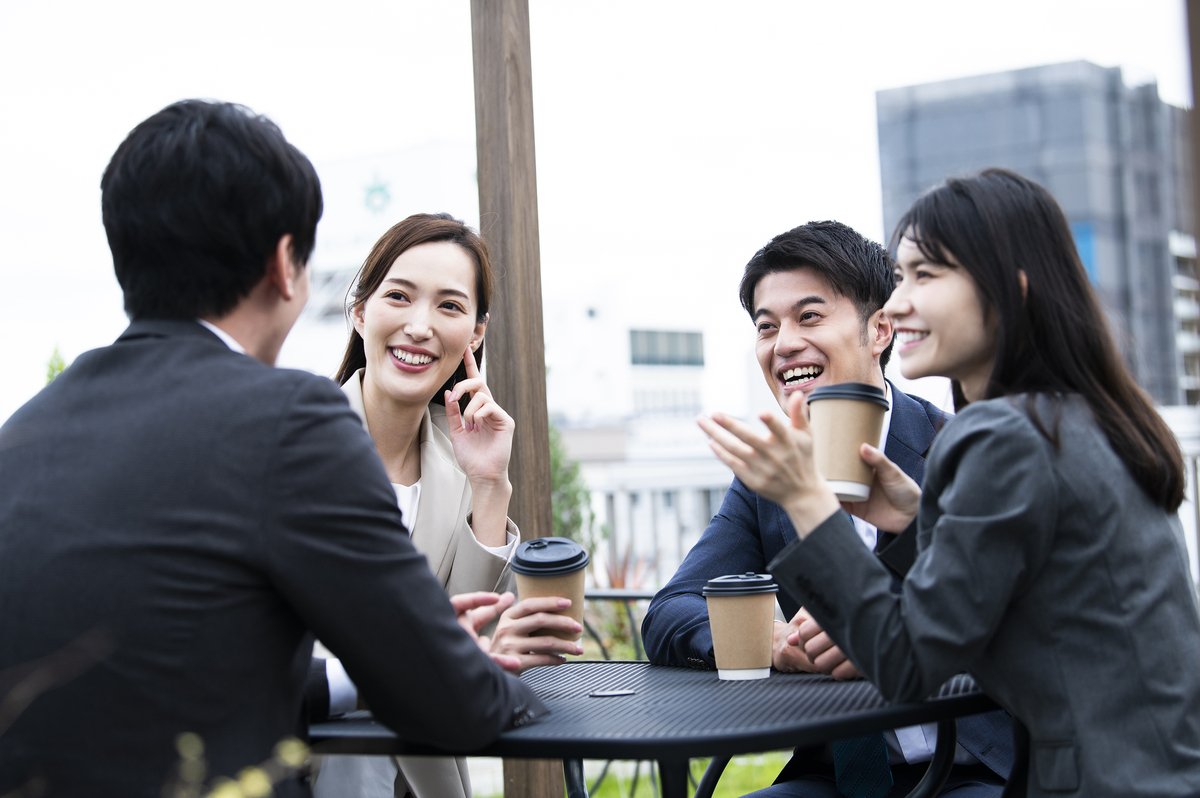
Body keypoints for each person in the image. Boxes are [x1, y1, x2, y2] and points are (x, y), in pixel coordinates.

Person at [0, 100, 546, 798]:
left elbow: (166, 668)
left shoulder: (26, 433)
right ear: (286, 266)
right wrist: (482, 677)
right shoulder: (292, 422)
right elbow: (457, 703)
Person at [701, 169, 1200, 797]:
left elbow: (905, 662)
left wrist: (805, 497)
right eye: (900, 277)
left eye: (926, 276)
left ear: (1009, 294)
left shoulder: (998, 436)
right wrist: (918, 521)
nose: (900, 301)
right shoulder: (1073, 421)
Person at [642, 221, 1012, 797]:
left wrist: (876, 631)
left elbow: (1016, 625)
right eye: (767, 327)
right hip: (837, 776)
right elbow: (670, 611)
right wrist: (771, 641)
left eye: (809, 317)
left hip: (979, 767)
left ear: (881, 329)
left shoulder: (961, 450)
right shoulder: (767, 480)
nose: (783, 343)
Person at [313, 214, 580, 798]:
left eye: (449, 307)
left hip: (424, 773)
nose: (419, 326)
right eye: (399, 297)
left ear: (476, 335)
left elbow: (466, 637)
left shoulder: (458, 461)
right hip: (311, 759)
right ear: (360, 311)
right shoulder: (292, 446)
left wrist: (489, 484)